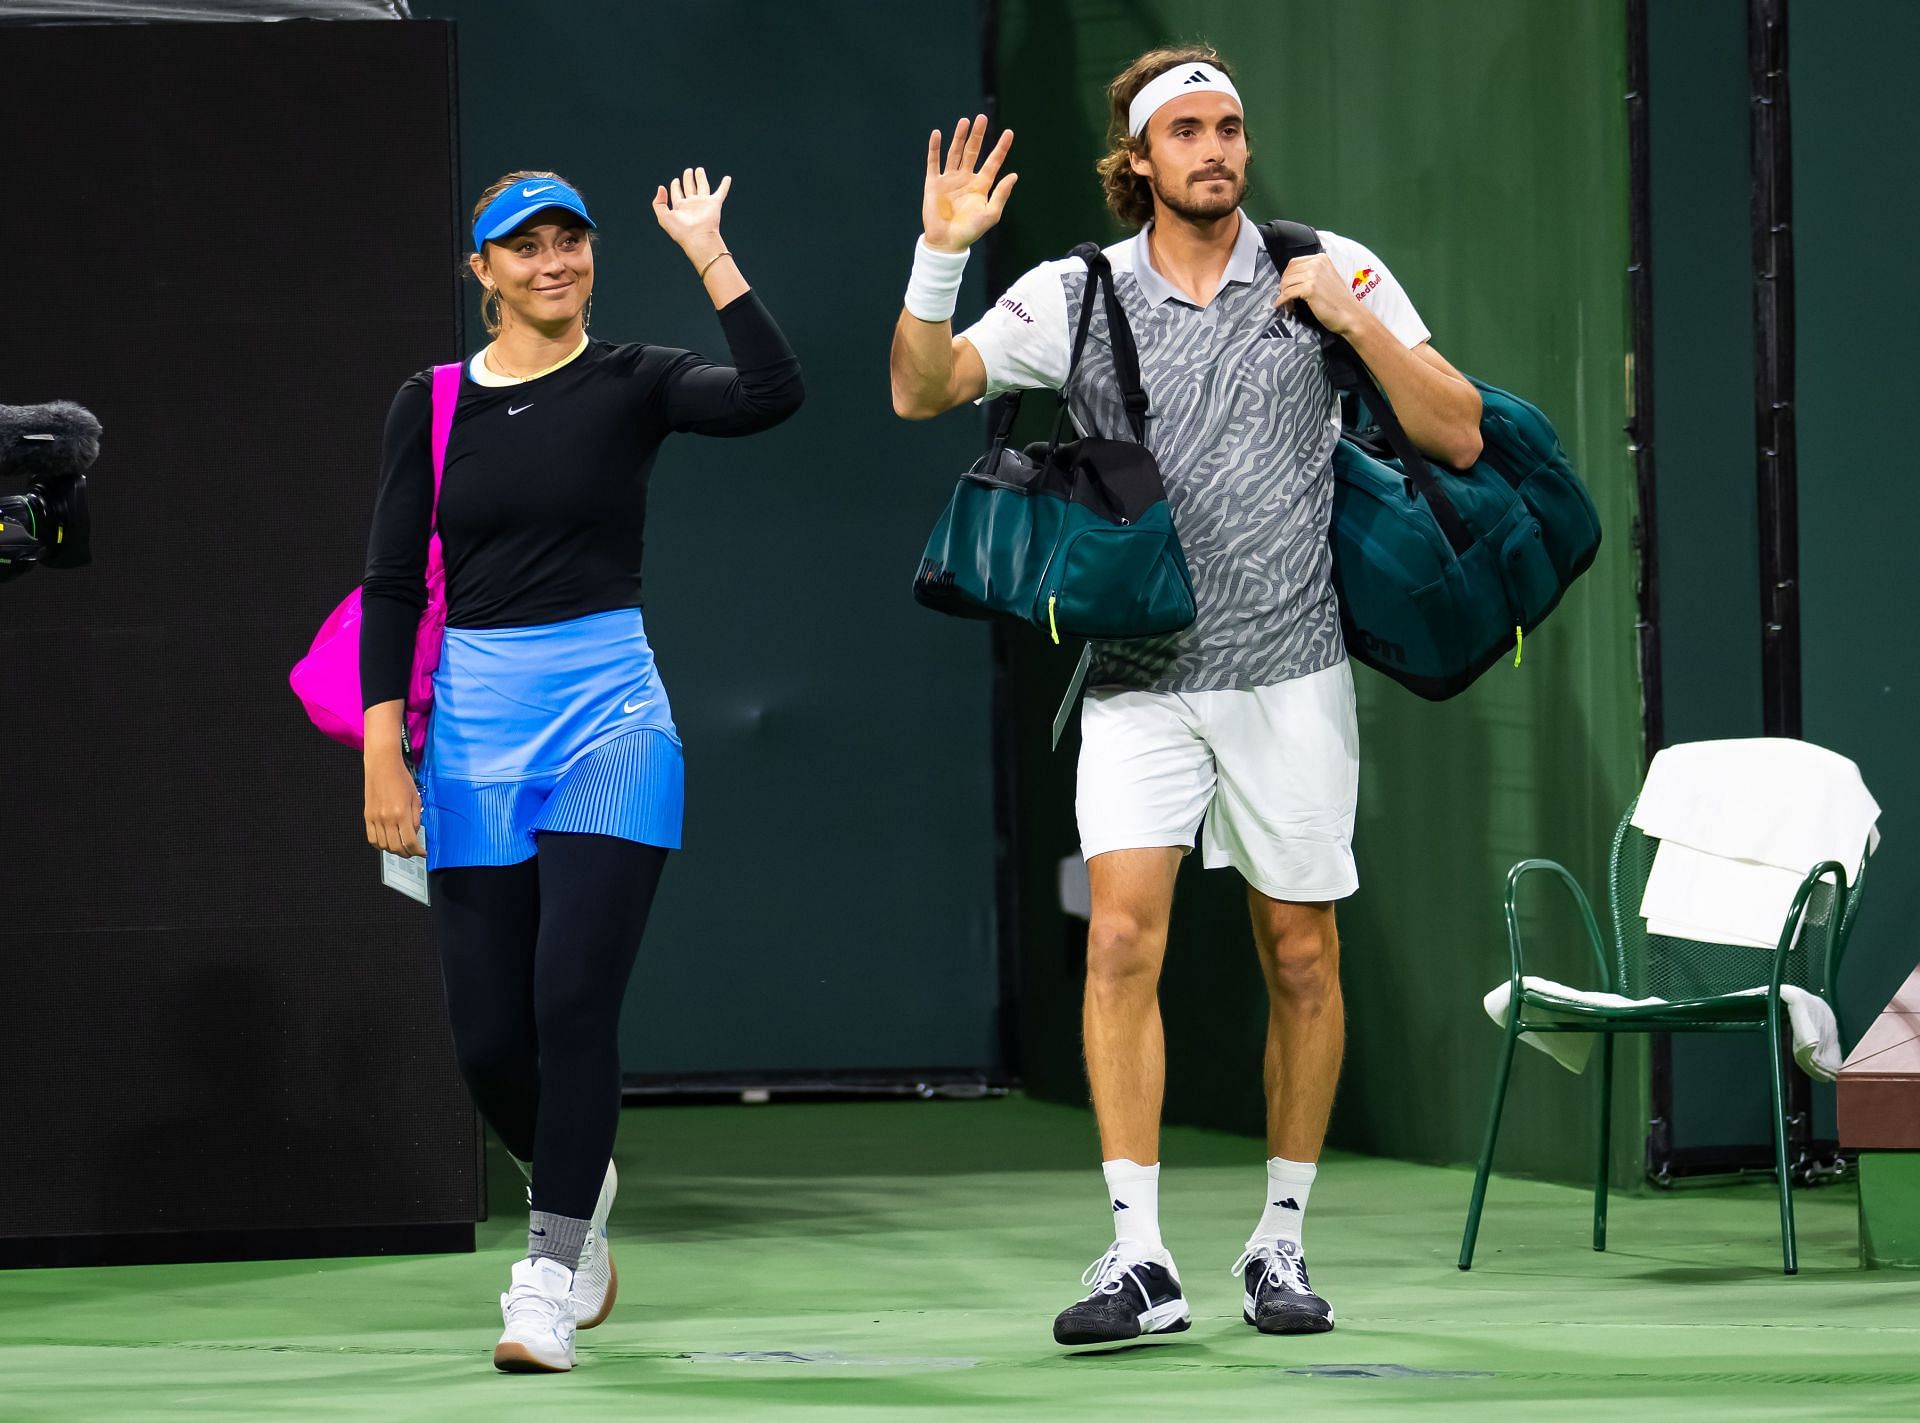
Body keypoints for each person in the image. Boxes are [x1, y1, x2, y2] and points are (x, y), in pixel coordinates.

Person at [889, 47, 1482, 1346]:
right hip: (1140, 683)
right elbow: (919, 388)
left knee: (1302, 953)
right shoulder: (1077, 293)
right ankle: (1141, 1255)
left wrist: (1356, 322)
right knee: (1117, 942)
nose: (1219, 148)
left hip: (1293, 671)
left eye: (1232, 127)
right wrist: (942, 258)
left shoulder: (1332, 267)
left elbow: (1456, 432)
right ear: (1140, 162)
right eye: (1190, 131)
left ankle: (1281, 1237)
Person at [360, 167, 803, 1372]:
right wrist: (381, 749)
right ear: (483, 272)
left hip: (611, 720)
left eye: (570, 240)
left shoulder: (639, 378)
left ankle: (548, 1274)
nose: (552, 261)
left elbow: (772, 391)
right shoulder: (435, 402)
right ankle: (577, 1177)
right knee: (489, 1040)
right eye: (524, 247)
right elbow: (395, 583)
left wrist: (709, 250)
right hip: (468, 743)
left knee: (573, 1006)